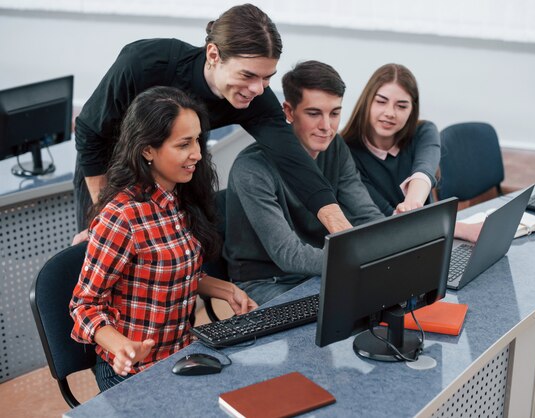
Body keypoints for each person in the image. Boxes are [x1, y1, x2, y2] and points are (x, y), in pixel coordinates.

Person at [73, 3, 351, 242]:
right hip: (110, 169)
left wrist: (342, 231)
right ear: (213, 55)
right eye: (248, 75)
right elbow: (89, 130)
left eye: (267, 78)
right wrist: (105, 212)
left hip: (174, 174)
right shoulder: (145, 63)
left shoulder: (256, 99)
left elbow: (295, 163)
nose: (258, 88)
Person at [70, 86, 257, 391]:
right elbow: (84, 305)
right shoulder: (122, 217)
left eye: (197, 140)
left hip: (181, 357)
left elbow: (170, 273)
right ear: (147, 150)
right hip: (131, 372)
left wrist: (225, 289)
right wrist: (121, 346)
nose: (197, 153)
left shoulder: (180, 199)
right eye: (184, 144)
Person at [223, 60, 385, 306]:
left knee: (383, 300)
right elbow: (287, 255)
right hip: (267, 281)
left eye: (334, 113)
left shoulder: (336, 147)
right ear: (288, 112)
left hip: (319, 268)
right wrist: (359, 258)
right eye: (314, 113)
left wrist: (393, 246)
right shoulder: (252, 168)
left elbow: (365, 215)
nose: (326, 127)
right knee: (335, 314)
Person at [342, 63, 480, 241]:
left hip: (432, 237)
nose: (390, 113)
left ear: (412, 109)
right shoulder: (346, 152)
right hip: (387, 243)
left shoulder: (424, 131)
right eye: (381, 102)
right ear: (367, 101)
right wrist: (462, 229)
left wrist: (412, 202)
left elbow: (424, 171)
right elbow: (388, 219)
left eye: (401, 106)